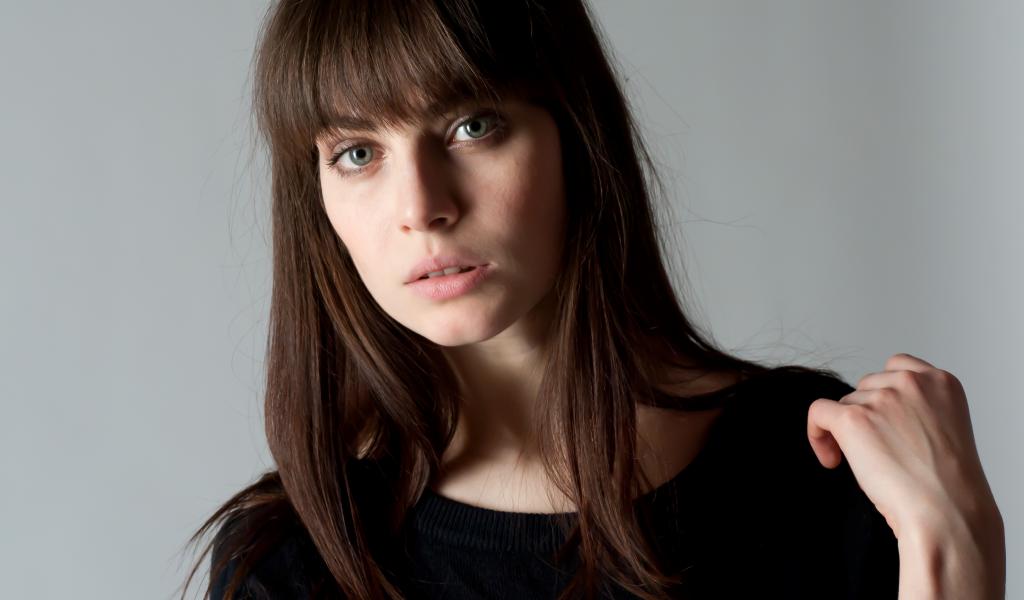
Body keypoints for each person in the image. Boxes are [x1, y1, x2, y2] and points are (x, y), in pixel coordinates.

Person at [179, 1, 1005, 599]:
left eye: (472, 125)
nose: (421, 206)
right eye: (358, 153)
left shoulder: (822, 468)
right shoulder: (290, 565)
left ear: (574, 134)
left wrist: (954, 553)